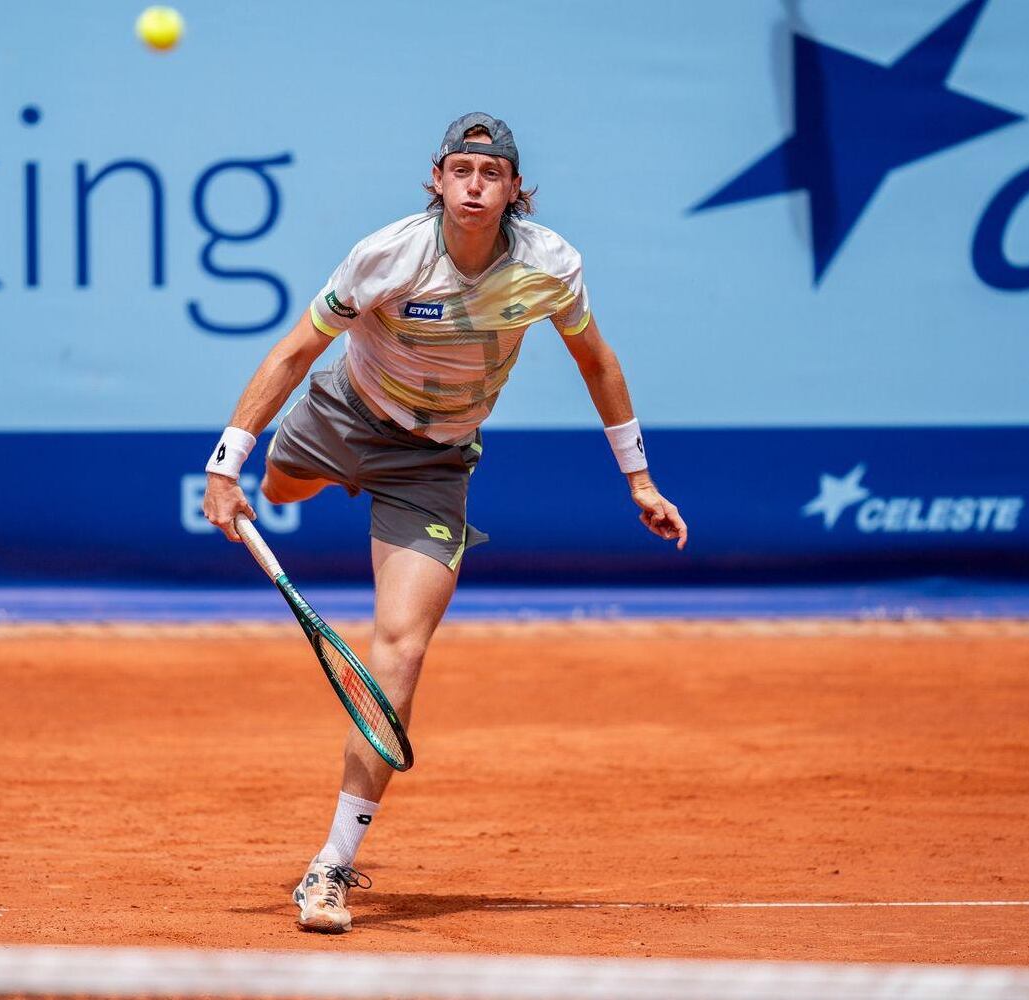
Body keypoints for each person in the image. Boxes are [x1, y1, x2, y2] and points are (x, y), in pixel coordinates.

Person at [201, 112, 687, 933]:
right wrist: (226, 465)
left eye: (489, 174)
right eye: (459, 169)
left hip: (433, 466)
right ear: (437, 179)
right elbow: (292, 351)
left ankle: (331, 865)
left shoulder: (549, 267)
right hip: (345, 415)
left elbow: (595, 361)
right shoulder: (387, 254)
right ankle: (318, 481)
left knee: (403, 647)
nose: (472, 185)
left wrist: (637, 477)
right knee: (283, 492)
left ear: (512, 190)